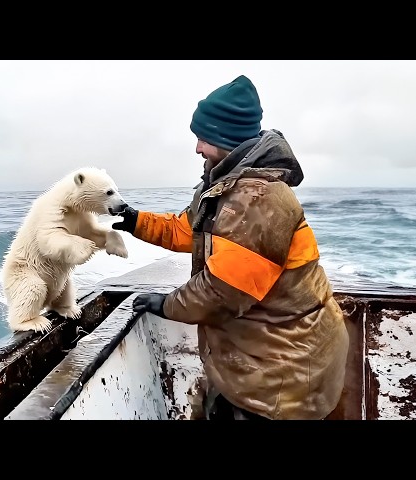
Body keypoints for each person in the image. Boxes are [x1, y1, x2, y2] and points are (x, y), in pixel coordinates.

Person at [112, 75, 349, 420]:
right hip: (255, 359)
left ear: (228, 138)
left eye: (203, 139)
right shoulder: (226, 185)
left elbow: (224, 291)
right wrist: (136, 221)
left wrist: (167, 305)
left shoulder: (259, 199)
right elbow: (188, 229)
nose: (197, 148)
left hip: (285, 369)